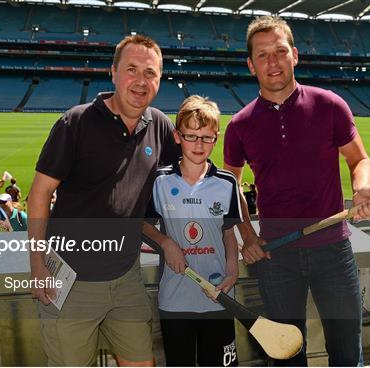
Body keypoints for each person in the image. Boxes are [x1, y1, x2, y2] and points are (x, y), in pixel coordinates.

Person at [223, 16, 370, 366]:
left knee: (346, 350)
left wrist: (363, 187)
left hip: (333, 249)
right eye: (263, 55)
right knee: (285, 354)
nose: (273, 61)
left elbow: (359, 160)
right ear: (251, 65)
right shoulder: (239, 125)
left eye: (280, 51)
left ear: (294, 55)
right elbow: (229, 186)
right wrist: (248, 235)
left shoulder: (330, 105)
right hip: (275, 256)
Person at [28, 34, 179, 366]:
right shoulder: (76, 121)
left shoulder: (160, 127)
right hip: (71, 281)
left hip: (126, 278)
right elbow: (39, 195)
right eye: (132, 69)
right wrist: (37, 266)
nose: (141, 81)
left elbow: (182, 182)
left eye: (151, 73)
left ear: (160, 79)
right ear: (113, 73)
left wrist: (168, 240)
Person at [143, 96, 242, 367]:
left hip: (218, 298)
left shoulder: (226, 183)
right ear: (177, 136)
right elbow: (142, 225)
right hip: (176, 300)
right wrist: (166, 242)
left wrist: (232, 270)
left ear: (216, 138)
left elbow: (228, 233)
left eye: (207, 137)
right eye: (191, 136)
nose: (199, 145)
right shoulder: (160, 181)